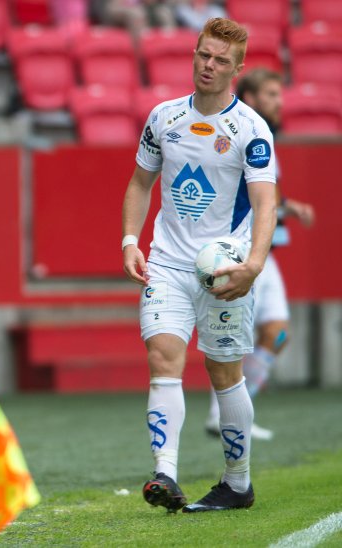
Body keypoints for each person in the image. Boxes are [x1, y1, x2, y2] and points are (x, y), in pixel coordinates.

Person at [121, 18, 277, 513]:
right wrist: (130, 239)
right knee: (163, 356)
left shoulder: (251, 129)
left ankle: (237, 483)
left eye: (220, 60)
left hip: (225, 270)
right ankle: (164, 474)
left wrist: (253, 264)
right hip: (166, 262)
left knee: (223, 370)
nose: (208, 66)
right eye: (203, 55)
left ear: (238, 68)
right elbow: (139, 184)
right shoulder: (163, 117)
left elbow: (265, 202)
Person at [204, 68, 315, 441]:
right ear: (249, 98)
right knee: (233, 336)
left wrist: (288, 205)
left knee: (277, 334)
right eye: (270, 94)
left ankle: (234, 411)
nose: (278, 101)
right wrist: (289, 205)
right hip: (245, 250)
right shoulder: (241, 134)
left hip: (267, 253)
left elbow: (268, 192)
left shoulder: (264, 136)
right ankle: (225, 415)